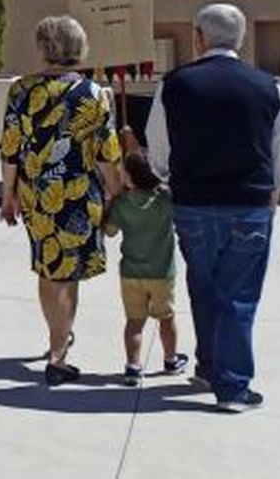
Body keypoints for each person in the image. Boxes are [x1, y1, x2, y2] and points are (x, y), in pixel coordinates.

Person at [146, 4, 280, 411]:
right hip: (249, 203)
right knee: (238, 296)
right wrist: (274, 192)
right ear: (239, 40)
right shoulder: (269, 86)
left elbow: (159, 148)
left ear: (198, 37)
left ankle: (211, 366)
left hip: (193, 203)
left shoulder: (174, 84)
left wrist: (172, 179)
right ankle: (234, 386)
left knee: (204, 288)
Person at [0, 15, 123, 387]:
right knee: (68, 276)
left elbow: (10, 147)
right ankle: (58, 354)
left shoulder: (20, 90)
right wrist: (116, 192)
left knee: (47, 267)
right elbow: (107, 152)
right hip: (79, 195)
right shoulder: (96, 93)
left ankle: (56, 335)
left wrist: (8, 194)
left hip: (35, 193)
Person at [104, 141, 189, 387]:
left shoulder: (122, 204)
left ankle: (133, 366)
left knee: (134, 322)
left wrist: (110, 203)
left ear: (129, 179)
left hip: (131, 273)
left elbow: (109, 232)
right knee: (166, 318)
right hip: (162, 273)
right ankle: (171, 359)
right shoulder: (164, 200)